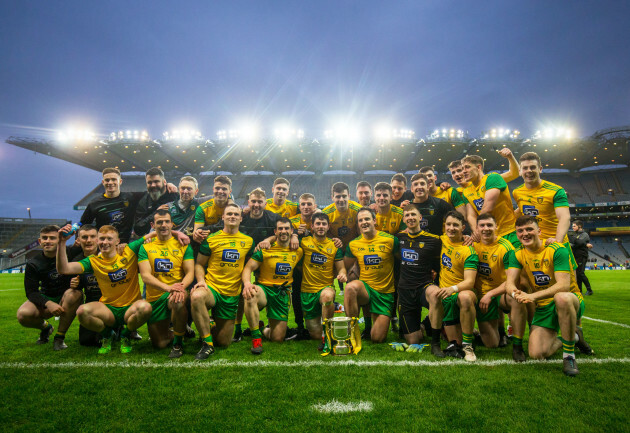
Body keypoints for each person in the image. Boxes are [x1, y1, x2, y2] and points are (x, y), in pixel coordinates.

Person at [505, 215, 591, 376]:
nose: (525, 233)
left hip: (569, 299)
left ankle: (569, 356)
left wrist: (532, 297)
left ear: (539, 230)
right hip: (544, 306)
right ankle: (574, 336)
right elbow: (509, 283)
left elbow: (563, 286)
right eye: (520, 231)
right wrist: (514, 293)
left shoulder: (556, 249)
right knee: (536, 354)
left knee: (561, 297)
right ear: (516, 234)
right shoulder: (516, 254)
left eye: (529, 229)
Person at [56, 225, 156, 354]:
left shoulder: (129, 251)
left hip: (130, 308)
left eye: (109, 239)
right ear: (97, 241)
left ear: (117, 241)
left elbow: (154, 234)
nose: (105, 242)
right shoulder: (93, 261)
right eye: (102, 239)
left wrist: (179, 234)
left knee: (145, 307)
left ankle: (125, 334)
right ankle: (108, 334)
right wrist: (62, 242)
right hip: (109, 310)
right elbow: (63, 269)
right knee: (81, 312)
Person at [191, 204, 254, 359]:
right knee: (197, 296)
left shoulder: (248, 241)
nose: (232, 216)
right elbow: (199, 264)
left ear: (240, 218)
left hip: (231, 294)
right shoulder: (211, 239)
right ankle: (207, 344)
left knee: (224, 342)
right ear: (223, 217)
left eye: (236, 214)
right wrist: (200, 281)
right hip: (212, 288)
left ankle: (210, 324)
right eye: (229, 214)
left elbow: (251, 265)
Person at [138, 210, 195, 358]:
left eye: (167, 222)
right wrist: (168, 288)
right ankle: (179, 329)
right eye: (159, 222)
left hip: (176, 291)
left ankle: (178, 342)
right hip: (155, 297)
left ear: (172, 224)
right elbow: (145, 276)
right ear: (153, 225)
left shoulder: (183, 245)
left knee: (178, 300)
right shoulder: (145, 247)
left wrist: (180, 288)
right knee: (159, 344)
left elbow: (190, 272)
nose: (163, 225)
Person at [241, 218, 303, 354]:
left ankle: (262, 328)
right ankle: (256, 339)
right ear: (275, 231)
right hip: (265, 289)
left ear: (292, 231)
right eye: (280, 229)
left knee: (277, 338)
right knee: (251, 294)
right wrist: (247, 284)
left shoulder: (298, 251)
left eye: (286, 228)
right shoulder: (265, 249)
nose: (283, 231)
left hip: (282, 294)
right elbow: (247, 268)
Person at [16, 225, 83, 350]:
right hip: (47, 296)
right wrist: (48, 303)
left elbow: (90, 244)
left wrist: (78, 235)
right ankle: (46, 328)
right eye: (45, 238)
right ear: (40, 241)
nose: (48, 241)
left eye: (52, 238)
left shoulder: (70, 251)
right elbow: (31, 292)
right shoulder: (33, 263)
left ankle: (59, 338)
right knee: (23, 314)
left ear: (59, 240)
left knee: (74, 294)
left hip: (67, 296)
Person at [228, 188, 281, 342]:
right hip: (242, 258)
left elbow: (287, 227)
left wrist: (269, 239)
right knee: (238, 293)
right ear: (248, 202)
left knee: (263, 290)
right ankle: (237, 328)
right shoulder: (242, 217)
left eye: (260, 202)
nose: (256, 205)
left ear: (266, 203)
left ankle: (263, 322)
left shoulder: (272, 217)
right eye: (253, 201)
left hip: (264, 259)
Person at [472, 213, 527, 362]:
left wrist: (490, 294)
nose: (486, 229)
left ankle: (517, 345)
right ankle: (494, 332)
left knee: (517, 298)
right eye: (482, 225)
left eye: (489, 225)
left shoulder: (506, 247)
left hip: (500, 293)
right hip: (481, 294)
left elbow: (512, 280)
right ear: (476, 228)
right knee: (491, 344)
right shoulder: (472, 244)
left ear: (497, 227)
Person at [426, 212, 479, 361]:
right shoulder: (441, 240)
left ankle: (468, 347)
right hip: (445, 294)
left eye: (455, 225)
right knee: (455, 343)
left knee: (465, 296)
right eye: (448, 224)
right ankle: (467, 333)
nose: (451, 228)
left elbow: (470, 282)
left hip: (459, 292)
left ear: (463, 227)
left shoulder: (468, 250)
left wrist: (453, 288)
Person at [343, 207, 400, 343]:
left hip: (385, 294)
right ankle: (352, 332)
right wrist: (346, 274)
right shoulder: (354, 244)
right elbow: (345, 266)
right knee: (350, 288)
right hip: (366, 290)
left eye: (367, 219)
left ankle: (372, 326)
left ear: (374, 220)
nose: (364, 222)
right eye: (360, 220)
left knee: (377, 338)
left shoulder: (391, 240)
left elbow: (402, 261)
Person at [395, 204, 442, 351]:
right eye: (407, 215)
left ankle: (435, 343)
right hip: (405, 291)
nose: (410, 218)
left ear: (420, 218)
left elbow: (449, 249)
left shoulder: (434, 240)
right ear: (404, 219)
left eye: (413, 215)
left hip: (424, 286)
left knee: (436, 295)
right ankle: (421, 326)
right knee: (414, 340)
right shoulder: (399, 237)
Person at [299, 213, 347, 346]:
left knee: (327, 297)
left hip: (325, 288)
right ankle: (322, 332)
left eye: (324, 224)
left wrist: (342, 274)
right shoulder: (303, 242)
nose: (321, 226)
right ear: (312, 226)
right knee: (314, 335)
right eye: (318, 224)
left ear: (328, 226)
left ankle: (327, 336)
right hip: (307, 291)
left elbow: (341, 268)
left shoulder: (334, 246)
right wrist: (293, 236)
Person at [461, 155, 518, 247]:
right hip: (487, 236)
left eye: (467, 167)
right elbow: (471, 215)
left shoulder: (492, 178)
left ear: (479, 167)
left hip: (509, 233)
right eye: (462, 168)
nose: (463, 171)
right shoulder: (466, 191)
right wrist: (476, 231)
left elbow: (488, 207)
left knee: (512, 261)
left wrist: (479, 229)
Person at [80, 168, 143, 243]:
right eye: (107, 180)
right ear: (103, 182)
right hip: (105, 246)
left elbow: (152, 196)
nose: (110, 182)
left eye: (114, 179)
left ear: (120, 181)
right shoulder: (94, 204)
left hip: (125, 245)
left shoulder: (131, 197)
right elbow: (84, 226)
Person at [71, 224, 103, 347]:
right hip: (90, 304)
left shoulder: (109, 255)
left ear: (98, 239)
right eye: (84, 237)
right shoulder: (76, 262)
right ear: (78, 240)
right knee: (86, 341)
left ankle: (123, 328)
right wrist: (74, 285)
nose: (88, 240)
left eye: (92, 236)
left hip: (110, 304)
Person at [134, 167, 179, 237]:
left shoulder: (174, 195)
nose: (153, 185)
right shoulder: (144, 200)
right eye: (149, 182)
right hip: (153, 242)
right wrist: (156, 213)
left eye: (156, 181)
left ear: (164, 182)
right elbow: (138, 229)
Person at [193, 175, 233, 243]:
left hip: (228, 241)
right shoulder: (202, 208)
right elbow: (196, 233)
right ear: (213, 189)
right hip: (208, 242)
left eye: (224, 189)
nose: (220, 191)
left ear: (230, 191)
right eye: (217, 188)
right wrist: (197, 235)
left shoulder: (234, 209)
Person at [568, 220, 594, 295]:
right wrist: (579, 243)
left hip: (582, 255)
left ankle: (589, 290)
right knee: (577, 274)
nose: (572, 227)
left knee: (580, 273)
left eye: (574, 226)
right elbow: (574, 244)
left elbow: (579, 243)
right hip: (575, 255)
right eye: (572, 226)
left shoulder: (584, 234)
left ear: (580, 226)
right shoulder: (575, 235)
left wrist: (570, 238)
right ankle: (580, 291)